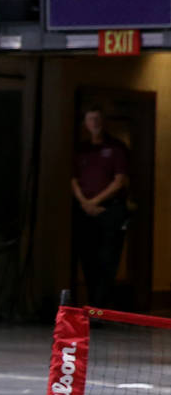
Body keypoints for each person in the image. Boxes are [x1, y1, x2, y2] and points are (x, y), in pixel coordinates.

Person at [71, 105, 129, 308]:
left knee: (108, 258)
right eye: (90, 119)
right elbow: (73, 179)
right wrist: (84, 203)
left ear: (103, 121)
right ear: (85, 123)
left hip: (109, 210)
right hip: (85, 211)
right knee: (87, 257)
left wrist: (95, 202)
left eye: (97, 118)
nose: (94, 123)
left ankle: (101, 306)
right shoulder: (81, 150)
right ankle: (91, 304)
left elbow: (119, 180)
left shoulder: (116, 148)